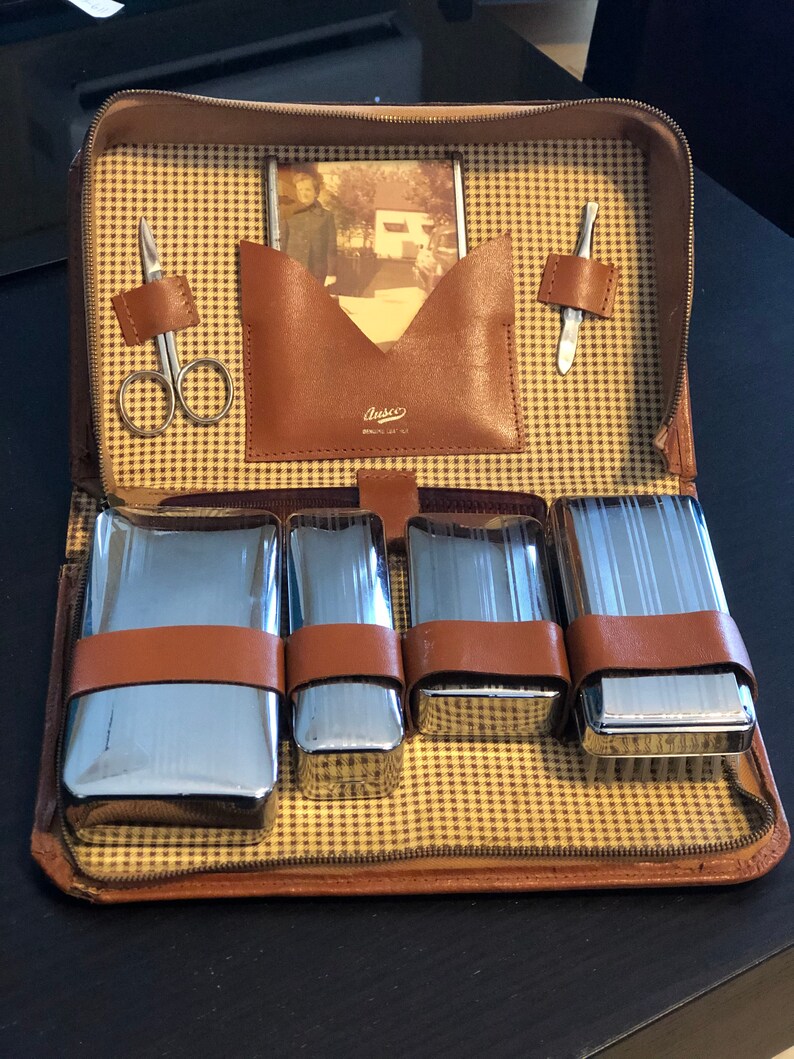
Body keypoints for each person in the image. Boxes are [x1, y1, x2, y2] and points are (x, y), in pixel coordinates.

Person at [282, 171, 338, 287]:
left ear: (315, 192)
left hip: (317, 273)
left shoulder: (326, 217)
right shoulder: (288, 214)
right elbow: (282, 244)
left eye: (307, 189)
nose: (303, 193)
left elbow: (331, 246)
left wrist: (331, 272)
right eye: (300, 190)